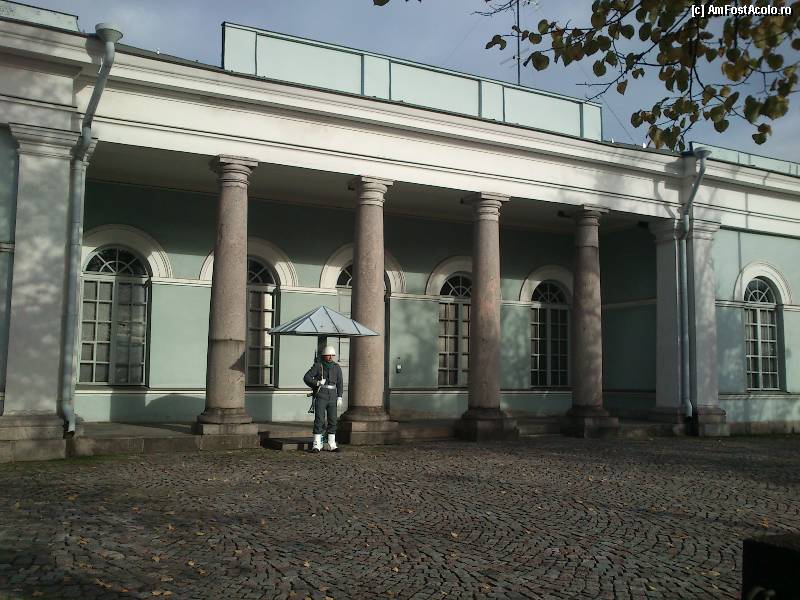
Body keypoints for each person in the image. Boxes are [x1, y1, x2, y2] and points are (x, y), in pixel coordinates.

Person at [303, 345, 343, 452]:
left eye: (332, 355)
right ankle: (317, 444)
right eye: (328, 355)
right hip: (321, 395)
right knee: (319, 419)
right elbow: (306, 377)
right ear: (324, 355)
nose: (330, 357)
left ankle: (331, 443)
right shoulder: (318, 366)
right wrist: (316, 383)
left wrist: (340, 396)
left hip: (332, 396)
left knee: (333, 420)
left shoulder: (336, 367)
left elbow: (340, 382)